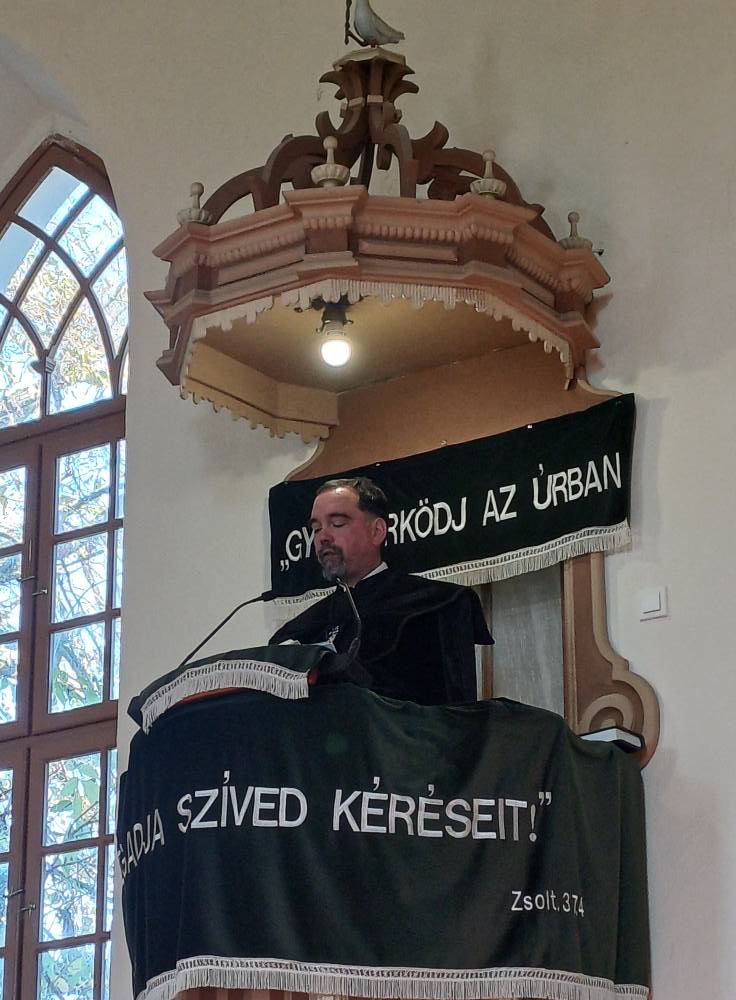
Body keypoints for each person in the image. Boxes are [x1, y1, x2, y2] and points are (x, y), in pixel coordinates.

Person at [269, 477, 493, 704]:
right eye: (316, 529)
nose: (323, 537)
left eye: (337, 524)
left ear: (377, 531)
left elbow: (455, 711)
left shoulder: (435, 605)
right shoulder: (302, 628)